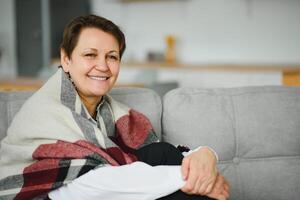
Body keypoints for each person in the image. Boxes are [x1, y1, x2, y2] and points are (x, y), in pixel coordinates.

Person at [0, 15, 229, 200]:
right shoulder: (45, 112)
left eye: (112, 57)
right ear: (66, 59)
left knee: (163, 152)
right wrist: (192, 180)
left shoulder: (109, 112)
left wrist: (205, 155)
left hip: (102, 186)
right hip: (46, 193)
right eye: (90, 55)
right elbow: (91, 184)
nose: (103, 66)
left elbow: (143, 160)